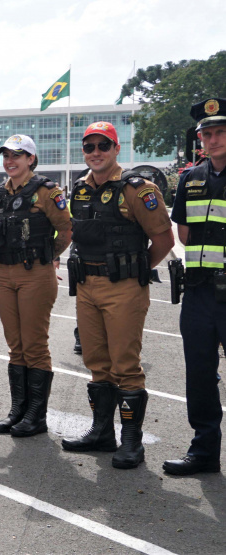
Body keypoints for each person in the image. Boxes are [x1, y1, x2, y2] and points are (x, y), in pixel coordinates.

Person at [60, 122, 174, 469]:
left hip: (123, 287)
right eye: (89, 146)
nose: (95, 152)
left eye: (103, 146)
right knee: (97, 364)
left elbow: (164, 240)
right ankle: (101, 432)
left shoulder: (138, 190)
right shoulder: (79, 188)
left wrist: (135, 270)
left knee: (126, 366)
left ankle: (131, 443)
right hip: (87, 287)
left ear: (116, 149)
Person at [0, 135, 72, 436]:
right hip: (5, 272)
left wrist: (49, 256)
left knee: (34, 345)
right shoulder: (1, 192)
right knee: (15, 345)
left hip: (35, 272)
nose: (10, 161)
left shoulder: (47, 191)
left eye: (17, 155)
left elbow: (66, 230)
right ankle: (18, 409)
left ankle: (36, 415)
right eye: (6, 155)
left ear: (31, 159)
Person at [163, 98, 226, 475]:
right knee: (200, 375)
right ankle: (204, 452)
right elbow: (183, 234)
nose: (214, 140)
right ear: (199, 139)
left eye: (220, 132)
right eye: (208, 134)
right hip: (201, 291)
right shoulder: (191, 177)